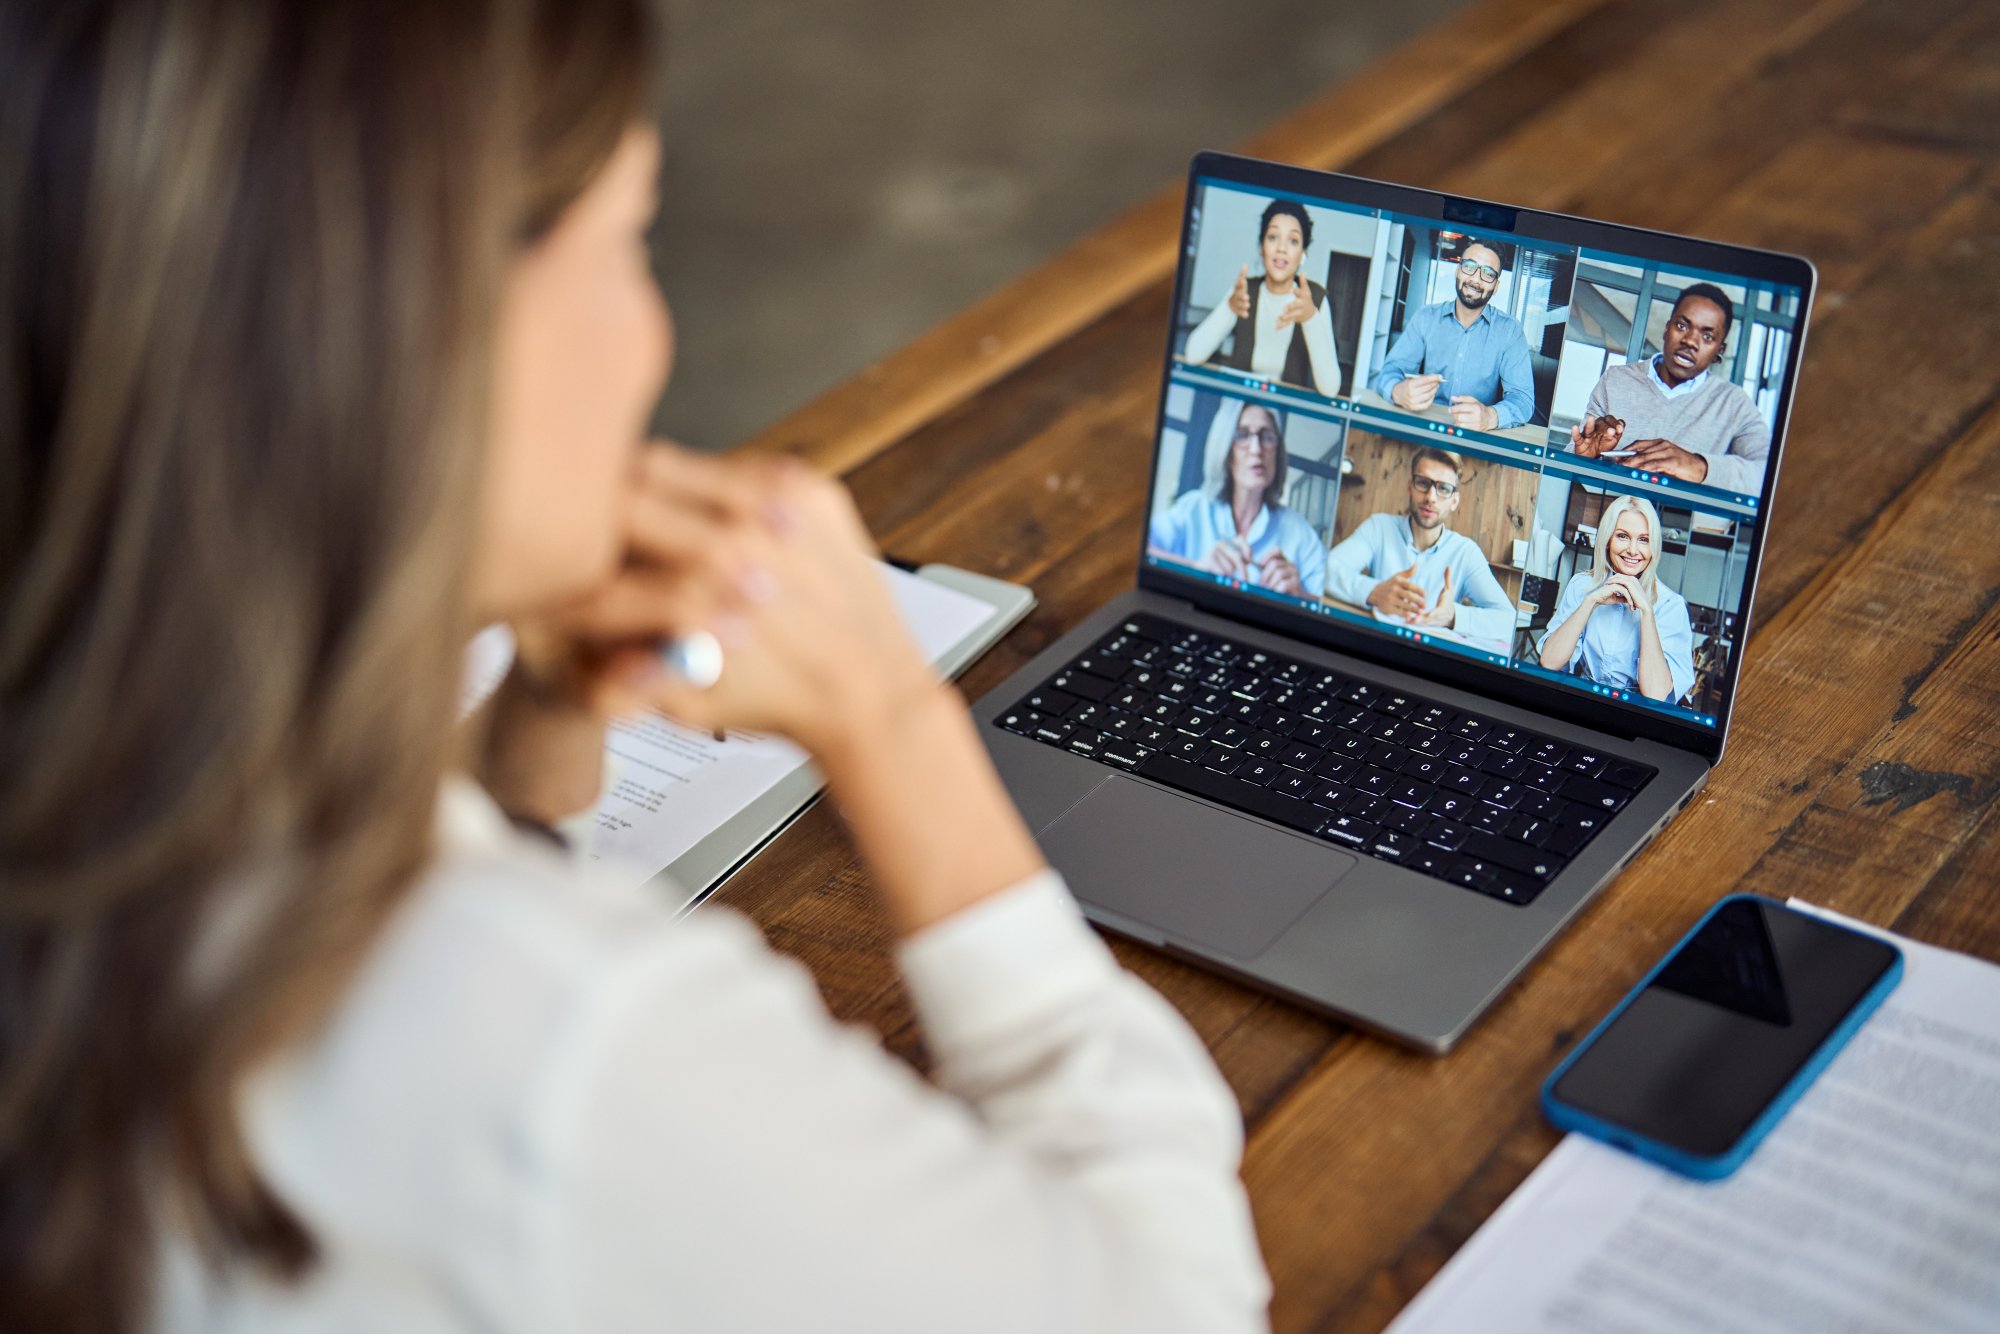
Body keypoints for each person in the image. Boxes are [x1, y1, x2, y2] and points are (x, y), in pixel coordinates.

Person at [0, 6, 1272, 1334]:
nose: (655, 335)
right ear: (424, 336)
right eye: (629, 241)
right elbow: (1175, 1304)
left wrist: (528, 751)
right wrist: (891, 714)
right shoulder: (565, 1043)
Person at [1566, 283, 1770, 493]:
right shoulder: (1616, 379)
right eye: (1682, 326)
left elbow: (1767, 474)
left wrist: (1697, 466)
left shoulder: (1734, 403)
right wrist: (1586, 456)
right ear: (1666, 329)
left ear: (1719, 350)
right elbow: (1573, 459)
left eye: (1707, 336)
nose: (1690, 341)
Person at [1322, 448, 1515, 643]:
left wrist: (1453, 616)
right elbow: (1325, 569)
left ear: (1454, 501)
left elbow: (1508, 622)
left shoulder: (1466, 553)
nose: (1431, 497)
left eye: (1444, 488)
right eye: (1423, 483)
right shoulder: (1378, 527)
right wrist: (1373, 592)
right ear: (1409, 487)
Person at [1148, 399, 1328, 597]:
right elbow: (1143, 548)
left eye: (1267, 437)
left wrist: (1299, 595)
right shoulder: (1194, 508)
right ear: (1225, 449)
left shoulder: (1299, 532)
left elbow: (1329, 606)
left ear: (1277, 452)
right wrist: (1195, 569)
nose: (1256, 449)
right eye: (1242, 436)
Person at [1535, 495, 1696, 703]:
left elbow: (1656, 694)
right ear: (1608, 540)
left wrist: (1646, 613)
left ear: (1653, 547)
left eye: (1644, 540)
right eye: (1622, 536)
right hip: (1584, 701)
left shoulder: (1670, 606)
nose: (1633, 550)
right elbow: (1549, 661)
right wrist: (1590, 602)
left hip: (1637, 714)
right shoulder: (1582, 586)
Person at [1370, 238, 1536, 432]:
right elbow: (1389, 371)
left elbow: (1523, 400)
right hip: (1424, 427)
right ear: (1458, 270)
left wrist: (1490, 417)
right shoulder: (1426, 317)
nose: (1475, 279)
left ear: (1496, 286)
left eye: (1488, 273)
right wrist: (1398, 391)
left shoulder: (1510, 331)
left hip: (1475, 436)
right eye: (1469, 266)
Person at [1182, 198, 1343, 396]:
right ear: (1261, 247)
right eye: (1273, 237)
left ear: (1303, 254)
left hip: (1287, 412)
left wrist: (1310, 318)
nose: (1281, 248)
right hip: (1239, 403)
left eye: (1293, 241)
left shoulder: (1315, 298)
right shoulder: (1243, 290)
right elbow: (1192, 355)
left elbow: (1330, 389)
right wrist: (1229, 308)